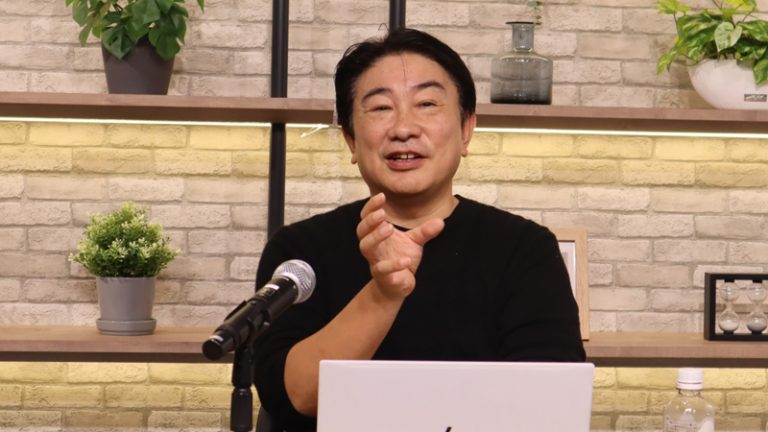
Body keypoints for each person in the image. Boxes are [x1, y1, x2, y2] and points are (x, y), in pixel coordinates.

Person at [252, 28, 585, 431]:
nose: (404, 128)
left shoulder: (526, 250)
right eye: (380, 108)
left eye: (427, 104)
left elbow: (549, 402)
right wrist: (384, 292)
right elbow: (294, 397)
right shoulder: (299, 251)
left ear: (466, 129)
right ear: (351, 140)